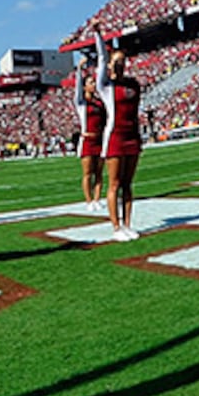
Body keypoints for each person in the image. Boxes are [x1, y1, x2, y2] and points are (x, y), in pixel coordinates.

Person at [93, 23, 142, 240]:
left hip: (133, 137)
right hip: (114, 137)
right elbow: (102, 60)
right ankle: (115, 227)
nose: (119, 65)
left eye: (122, 62)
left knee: (128, 185)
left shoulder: (134, 84)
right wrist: (98, 35)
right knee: (113, 183)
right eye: (116, 62)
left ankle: (128, 224)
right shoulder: (105, 86)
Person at [70, 55, 105, 212]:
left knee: (99, 172)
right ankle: (88, 200)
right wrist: (79, 69)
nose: (93, 85)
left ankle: (97, 199)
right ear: (85, 87)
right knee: (87, 173)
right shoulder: (81, 103)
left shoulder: (99, 102)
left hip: (99, 140)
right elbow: (77, 88)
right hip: (87, 140)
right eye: (90, 83)